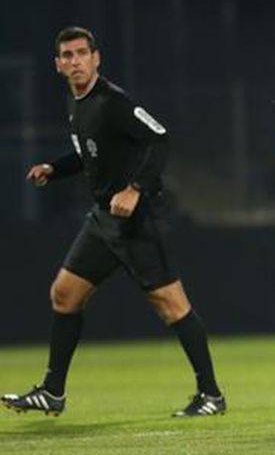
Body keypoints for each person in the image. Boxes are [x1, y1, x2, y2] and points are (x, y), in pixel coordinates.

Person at [2, 27, 226, 418]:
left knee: (172, 305)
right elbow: (88, 155)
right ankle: (53, 391)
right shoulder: (76, 103)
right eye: (67, 55)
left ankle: (211, 395)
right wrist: (53, 169)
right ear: (58, 65)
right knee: (64, 294)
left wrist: (135, 188)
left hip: (136, 220)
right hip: (103, 219)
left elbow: (159, 138)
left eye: (81, 53)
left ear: (96, 58)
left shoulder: (112, 101)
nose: (75, 61)